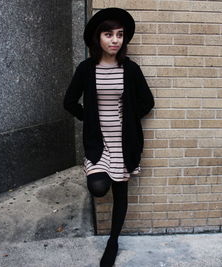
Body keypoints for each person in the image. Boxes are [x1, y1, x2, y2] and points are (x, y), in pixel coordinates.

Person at [63, 7, 154, 267]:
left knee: (121, 192)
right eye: (108, 34)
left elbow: (147, 102)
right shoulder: (86, 69)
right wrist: (88, 118)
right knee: (99, 187)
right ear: (97, 38)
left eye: (120, 34)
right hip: (98, 143)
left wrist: (128, 115)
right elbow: (69, 102)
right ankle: (112, 237)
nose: (115, 40)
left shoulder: (130, 69)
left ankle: (113, 242)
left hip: (124, 141)